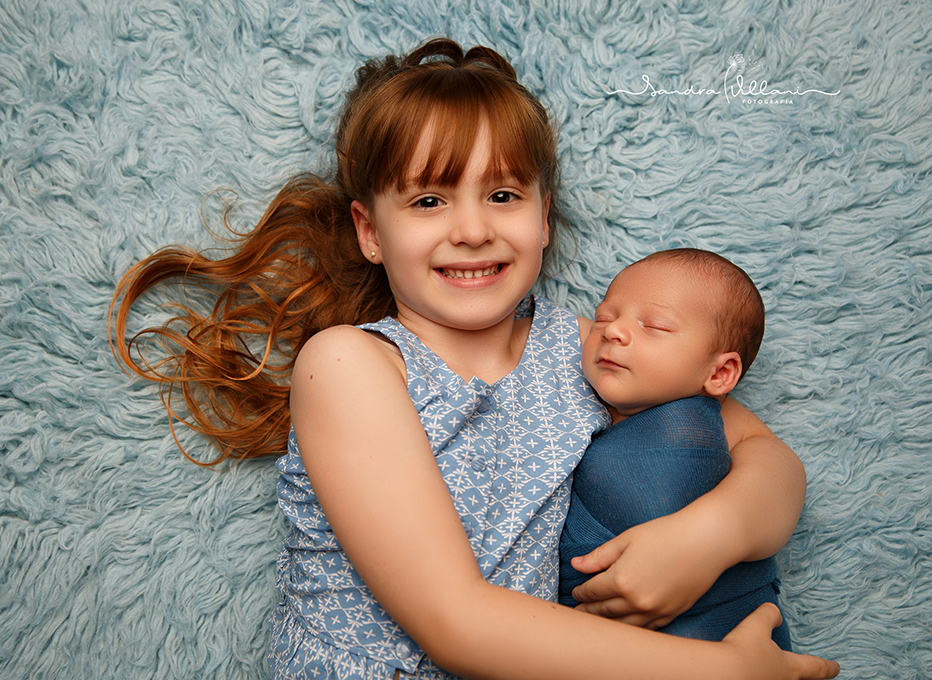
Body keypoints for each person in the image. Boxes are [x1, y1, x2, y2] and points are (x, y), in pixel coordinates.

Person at [109, 39, 838, 680]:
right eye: (429, 200)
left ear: (544, 216)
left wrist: (704, 538)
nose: (471, 229)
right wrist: (720, 672)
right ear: (370, 230)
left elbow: (766, 457)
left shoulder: (587, 349)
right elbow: (455, 623)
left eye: (502, 194)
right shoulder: (350, 365)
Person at [559, 248, 792, 650]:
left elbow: (779, 464)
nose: (613, 331)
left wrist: (705, 537)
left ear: (719, 373)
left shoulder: (703, 419)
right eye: (604, 317)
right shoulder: (564, 364)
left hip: (728, 631)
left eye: (656, 326)